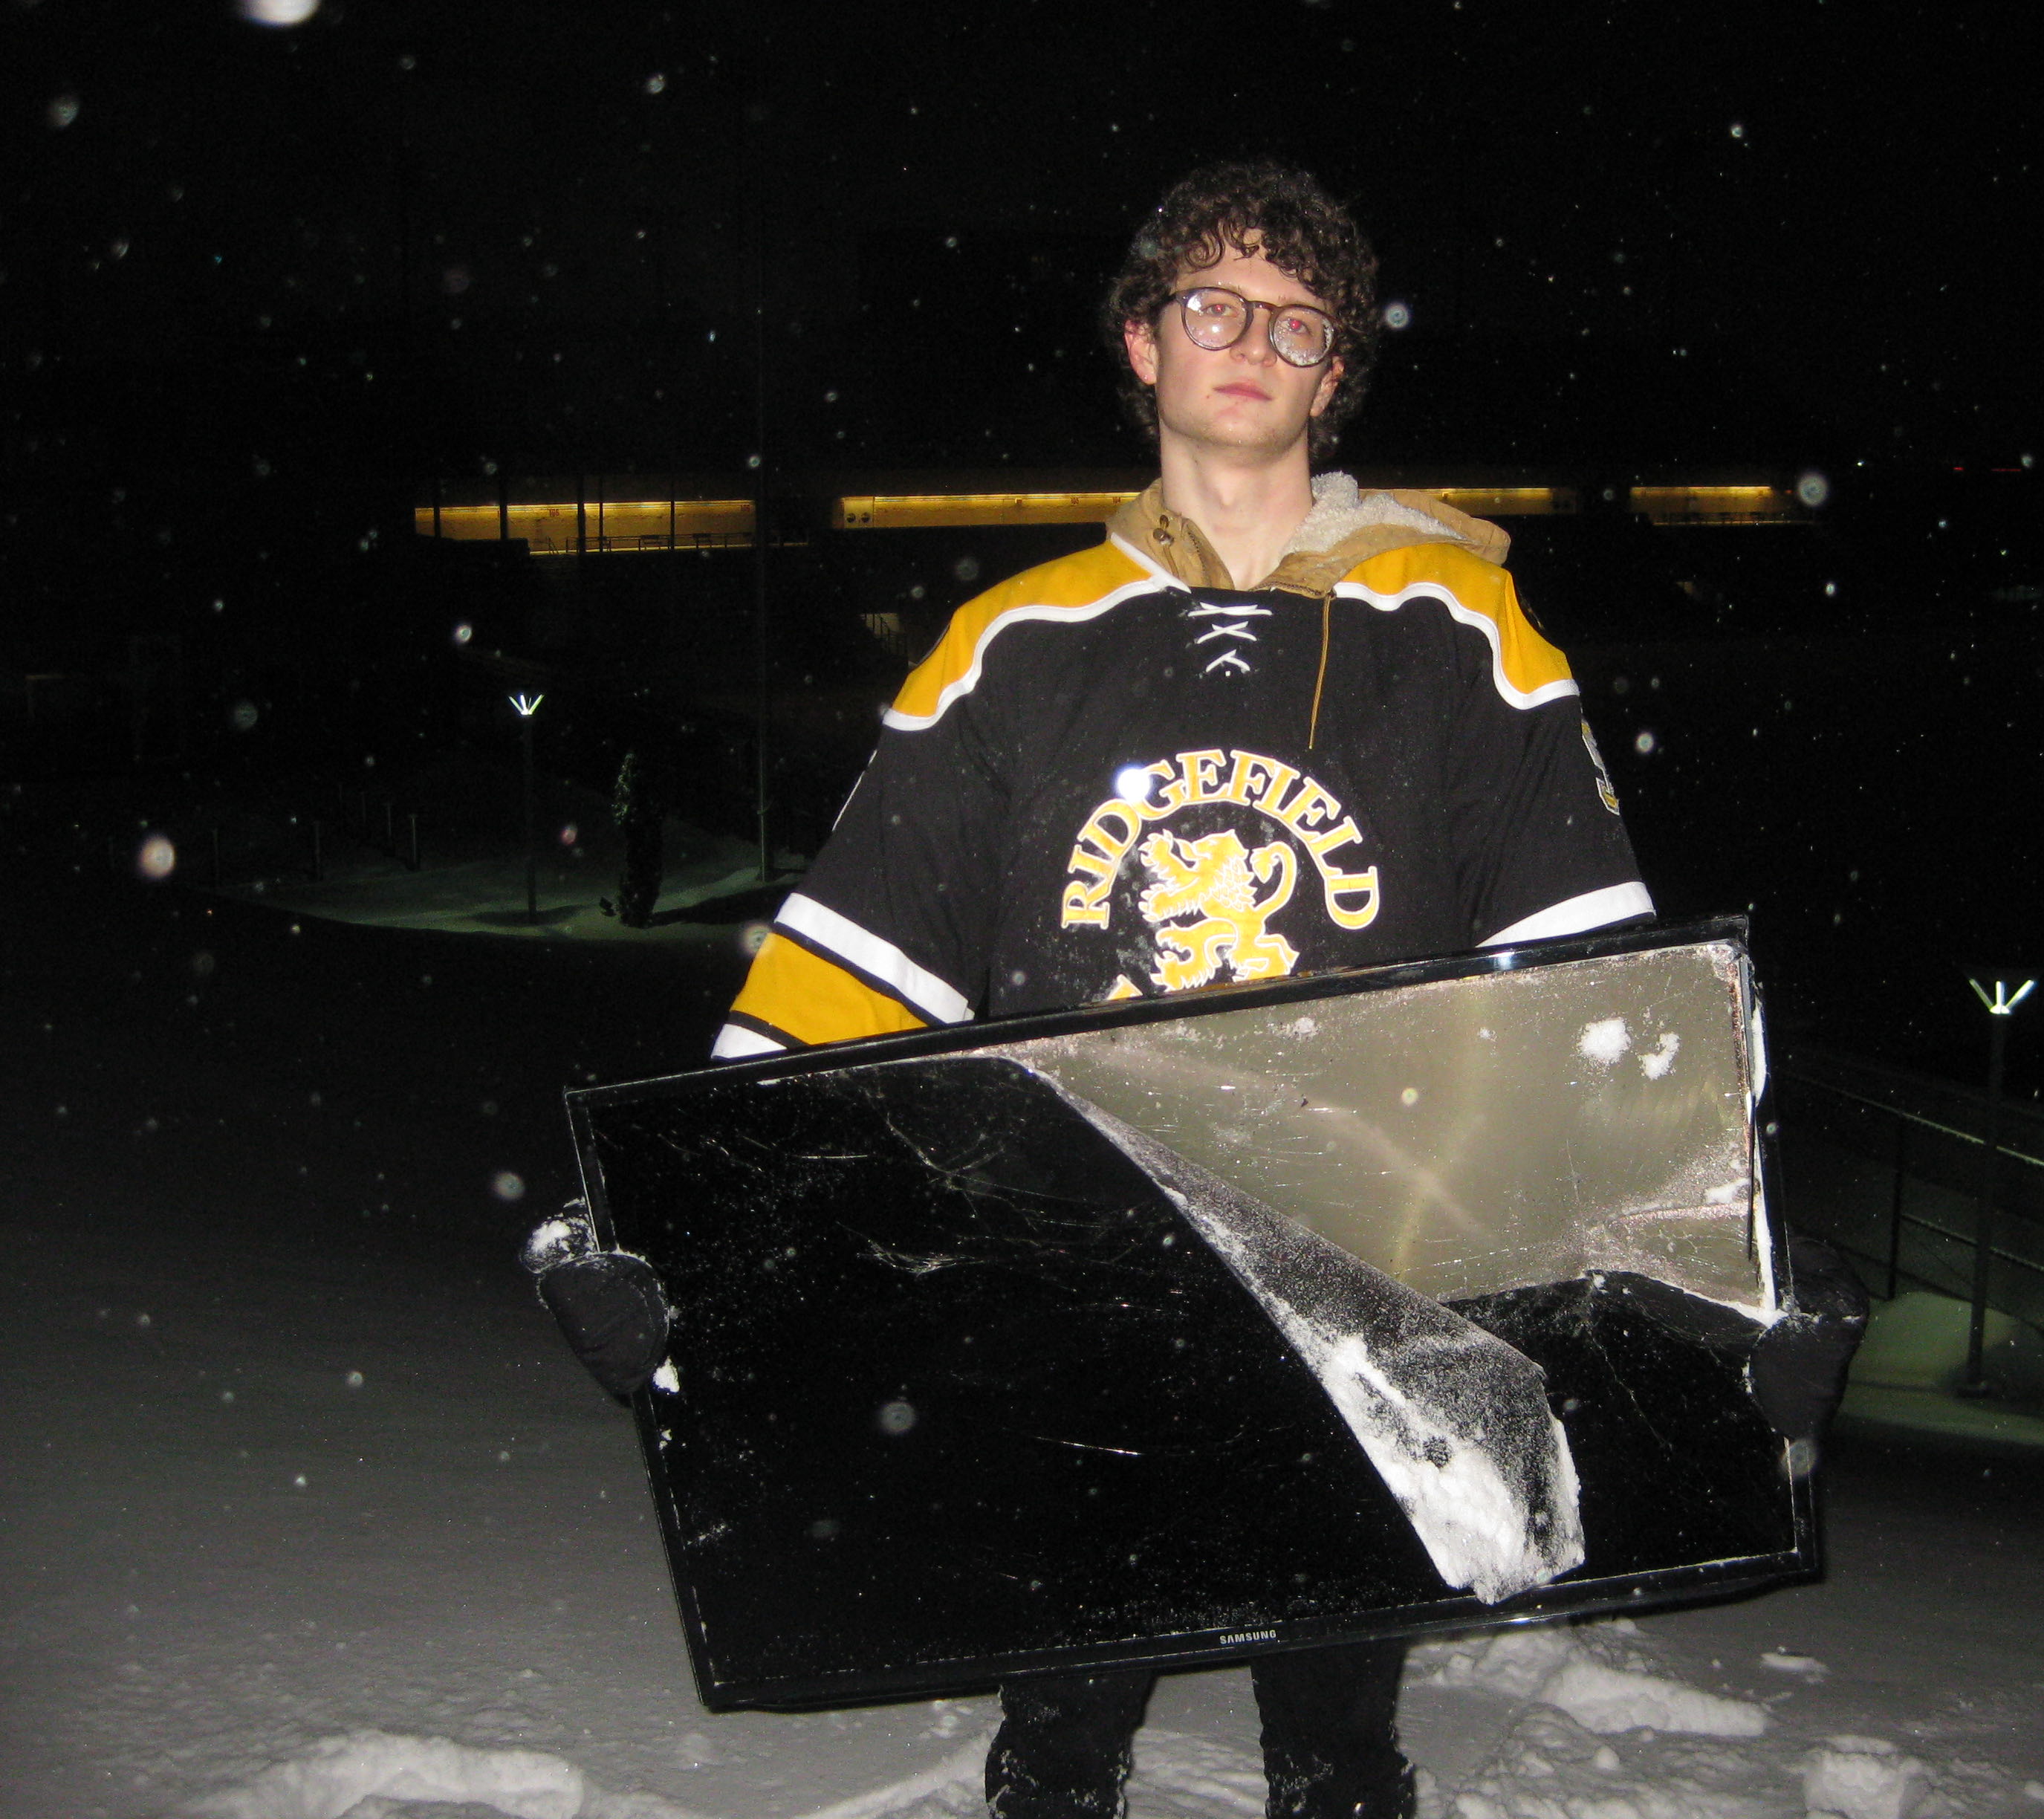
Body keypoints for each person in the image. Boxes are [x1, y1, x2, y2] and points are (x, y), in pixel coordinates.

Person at [539, 160, 1820, 1819]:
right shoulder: (1011, 641)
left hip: (1374, 1265)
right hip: (1074, 1258)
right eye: (1213, 305)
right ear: (1143, 342)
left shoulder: (1466, 630)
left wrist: (1734, 1255)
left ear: (1335, 372)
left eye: (1299, 320)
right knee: (1059, 1749)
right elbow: (853, 967)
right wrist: (662, 1227)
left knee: (1339, 1751)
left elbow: (1591, 985)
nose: (1253, 342)